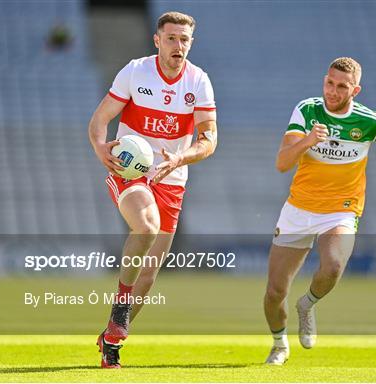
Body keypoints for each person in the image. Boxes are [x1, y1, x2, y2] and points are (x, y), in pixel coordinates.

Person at [263, 57, 376, 365]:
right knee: (273, 294)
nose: (333, 92)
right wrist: (308, 141)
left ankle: (307, 305)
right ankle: (279, 343)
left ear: (356, 89)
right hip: (298, 208)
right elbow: (282, 163)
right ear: (324, 80)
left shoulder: (369, 121)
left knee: (333, 266)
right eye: (329, 83)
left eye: (341, 87)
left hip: (342, 209)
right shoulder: (307, 110)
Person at [88, 11, 217, 368]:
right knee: (145, 227)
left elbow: (209, 139)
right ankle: (120, 306)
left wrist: (180, 159)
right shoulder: (135, 71)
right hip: (131, 171)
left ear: (192, 43)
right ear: (157, 40)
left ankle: (111, 338)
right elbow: (101, 120)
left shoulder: (199, 81)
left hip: (171, 177)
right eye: (172, 38)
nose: (179, 46)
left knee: (149, 274)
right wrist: (101, 148)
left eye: (185, 40)